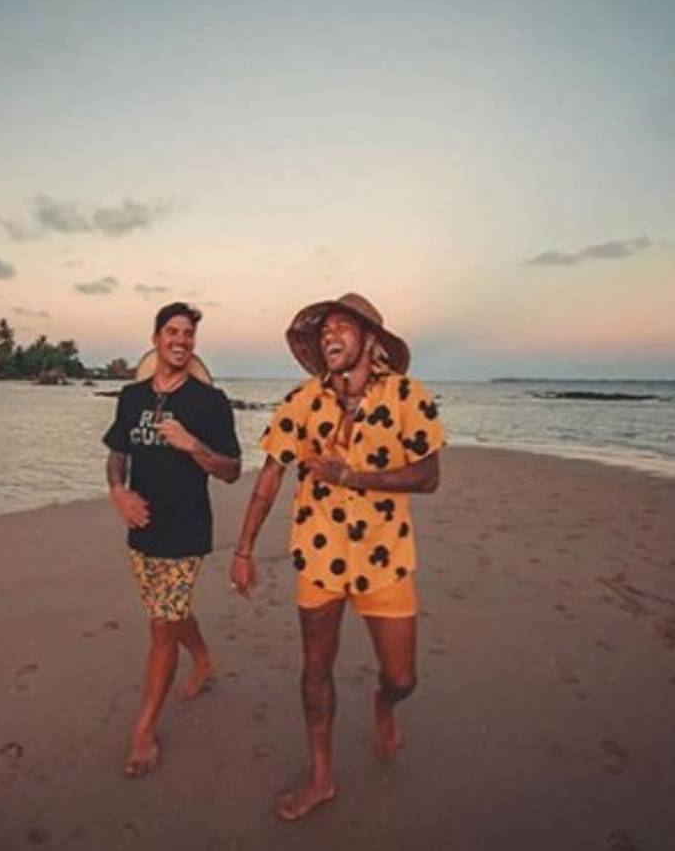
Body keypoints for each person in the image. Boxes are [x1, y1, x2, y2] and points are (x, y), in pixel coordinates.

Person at [230, 292, 444, 820]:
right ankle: (322, 776)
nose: (331, 335)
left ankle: (383, 706)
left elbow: (428, 475)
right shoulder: (302, 402)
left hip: (384, 559)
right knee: (315, 671)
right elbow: (271, 477)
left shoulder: (407, 396)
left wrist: (354, 477)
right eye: (325, 329)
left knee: (402, 679)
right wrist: (243, 548)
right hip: (318, 557)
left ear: (371, 339)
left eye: (343, 327)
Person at [103, 301, 242, 777]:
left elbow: (231, 471)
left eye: (189, 334)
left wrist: (193, 445)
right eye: (173, 332)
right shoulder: (131, 396)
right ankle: (202, 659)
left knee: (161, 629)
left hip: (185, 534)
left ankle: (143, 730)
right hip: (141, 529)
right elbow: (117, 451)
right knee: (169, 611)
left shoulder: (209, 402)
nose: (181, 340)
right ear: (156, 337)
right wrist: (117, 492)